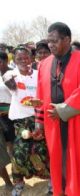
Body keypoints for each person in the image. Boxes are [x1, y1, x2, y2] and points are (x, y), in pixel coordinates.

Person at [35, 22, 80, 195]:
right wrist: (39, 123)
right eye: (48, 41)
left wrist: (62, 110)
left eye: (55, 41)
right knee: (58, 162)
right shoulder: (44, 64)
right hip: (53, 125)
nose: (50, 45)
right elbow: (40, 95)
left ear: (67, 40)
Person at [2, 46, 50, 196]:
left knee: (44, 151)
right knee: (19, 153)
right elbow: (7, 79)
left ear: (31, 58)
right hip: (20, 121)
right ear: (14, 60)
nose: (23, 60)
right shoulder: (11, 74)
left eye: (26, 57)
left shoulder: (39, 74)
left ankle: (51, 180)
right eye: (19, 58)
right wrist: (9, 81)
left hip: (39, 117)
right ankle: (19, 183)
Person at [0, 51, 13, 191]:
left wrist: (9, 110)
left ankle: (17, 175)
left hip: (11, 115)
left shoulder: (12, 74)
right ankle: (8, 182)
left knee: (11, 146)